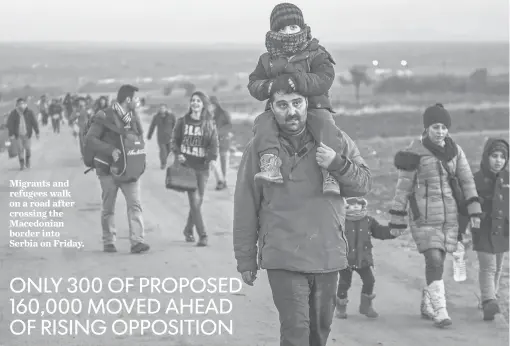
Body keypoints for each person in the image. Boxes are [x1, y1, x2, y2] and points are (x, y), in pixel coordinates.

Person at [233, 85, 371, 346]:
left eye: (297, 103)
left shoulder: (335, 140)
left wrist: (337, 164)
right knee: (296, 332)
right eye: (282, 105)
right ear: (271, 109)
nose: (291, 111)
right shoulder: (260, 150)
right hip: (283, 255)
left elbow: (363, 184)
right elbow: (245, 204)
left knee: (319, 334)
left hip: (327, 254)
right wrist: (245, 259)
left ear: (308, 104)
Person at [389, 103, 482, 328]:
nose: (440, 131)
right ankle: (440, 310)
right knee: (434, 258)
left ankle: (428, 300)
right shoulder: (414, 153)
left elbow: (467, 181)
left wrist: (474, 211)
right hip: (423, 217)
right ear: (426, 128)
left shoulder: (455, 151)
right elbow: (403, 188)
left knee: (439, 262)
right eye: (435, 127)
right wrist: (397, 218)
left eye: (443, 127)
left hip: (449, 217)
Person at [248, 2, 343, 197]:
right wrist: (270, 86)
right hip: (280, 109)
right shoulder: (268, 59)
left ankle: (330, 173)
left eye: (293, 27)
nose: (288, 32)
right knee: (263, 123)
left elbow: (325, 78)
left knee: (326, 127)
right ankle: (270, 164)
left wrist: (297, 81)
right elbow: (254, 83)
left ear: (302, 27)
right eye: (282, 28)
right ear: (274, 31)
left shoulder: (316, 52)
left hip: (316, 106)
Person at [84, 84, 150, 254]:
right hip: (108, 169)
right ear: (128, 99)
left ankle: (137, 241)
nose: (138, 101)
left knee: (135, 205)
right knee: (108, 207)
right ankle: (108, 241)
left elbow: (139, 138)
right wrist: (110, 150)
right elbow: (90, 139)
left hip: (129, 170)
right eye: (135, 98)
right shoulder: (104, 115)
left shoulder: (132, 117)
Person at [459, 138, 508, 321]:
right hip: (483, 229)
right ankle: (489, 301)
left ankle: (490, 297)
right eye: (494, 156)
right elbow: (465, 207)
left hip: (503, 230)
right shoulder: (476, 180)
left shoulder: (508, 179)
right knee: (488, 267)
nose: (498, 160)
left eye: (502, 157)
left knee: (497, 267)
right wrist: (460, 231)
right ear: (486, 157)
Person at [170, 91, 219, 247]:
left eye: (198, 101)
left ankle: (187, 229)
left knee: (197, 202)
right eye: (193, 100)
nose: (195, 103)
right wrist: (178, 154)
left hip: (203, 168)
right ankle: (203, 235)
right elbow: (174, 141)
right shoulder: (182, 122)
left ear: (203, 104)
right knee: (195, 202)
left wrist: (211, 158)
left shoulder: (209, 123)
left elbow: (214, 143)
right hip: (188, 168)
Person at [335, 197, 397, 320]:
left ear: (363, 206)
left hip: (363, 258)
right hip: (345, 259)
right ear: (346, 207)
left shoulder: (368, 220)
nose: (356, 206)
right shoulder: (340, 221)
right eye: (352, 205)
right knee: (344, 283)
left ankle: (366, 306)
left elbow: (380, 232)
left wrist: (393, 231)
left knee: (369, 281)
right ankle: (341, 307)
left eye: (359, 204)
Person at [7, 98, 40, 170]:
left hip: (27, 134)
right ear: (16, 105)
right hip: (18, 135)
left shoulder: (30, 112)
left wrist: (37, 132)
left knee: (28, 149)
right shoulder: (13, 113)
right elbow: (10, 124)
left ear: (25, 104)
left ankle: (27, 160)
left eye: (22, 103)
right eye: (19, 104)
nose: (21, 105)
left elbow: (34, 122)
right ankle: (21, 164)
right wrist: (11, 134)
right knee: (20, 149)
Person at [209, 96, 233, 190]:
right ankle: (220, 180)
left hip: (223, 140)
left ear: (214, 105)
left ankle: (224, 181)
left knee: (224, 162)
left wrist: (218, 132)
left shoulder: (224, 114)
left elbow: (229, 125)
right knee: (213, 162)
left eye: (209, 105)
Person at [147, 103, 177, 169]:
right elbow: (152, 126)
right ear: (159, 109)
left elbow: (175, 126)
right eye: (160, 108)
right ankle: (163, 163)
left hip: (170, 137)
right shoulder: (156, 117)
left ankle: (169, 164)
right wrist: (149, 135)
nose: (162, 109)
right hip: (161, 138)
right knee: (163, 151)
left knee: (169, 151)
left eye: (163, 108)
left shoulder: (171, 116)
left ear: (166, 109)